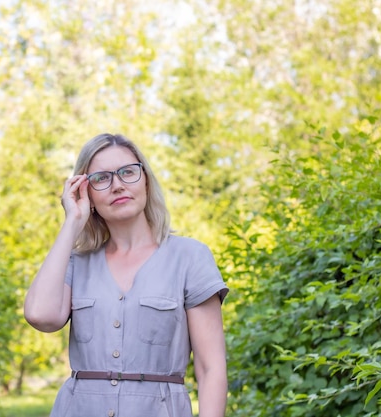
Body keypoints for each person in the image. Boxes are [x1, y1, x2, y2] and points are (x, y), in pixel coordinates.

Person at [24, 133, 229, 417]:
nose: (118, 185)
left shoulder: (190, 257)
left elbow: (211, 369)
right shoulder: (76, 262)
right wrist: (72, 222)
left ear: (145, 179)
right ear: (86, 192)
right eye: (101, 178)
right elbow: (39, 316)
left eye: (128, 172)